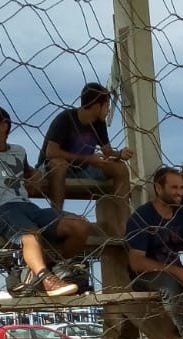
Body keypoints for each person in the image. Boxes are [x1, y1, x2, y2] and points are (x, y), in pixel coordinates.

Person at [0, 105, 90, 296]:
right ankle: (46, 279)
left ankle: (47, 269)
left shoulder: (18, 151)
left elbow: (28, 171)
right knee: (29, 235)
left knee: (79, 226)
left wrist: (37, 176)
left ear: (4, 126)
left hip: (27, 207)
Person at [126, 167, 183, 339]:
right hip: (145, 276)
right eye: (174, 187)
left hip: (175, 271)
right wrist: (178, 271)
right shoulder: (142, 216)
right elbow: (136, 262)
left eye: (182, 188)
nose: (179, 192)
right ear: (158, 188)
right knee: (169, 285)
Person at [39, 82, 132, 234]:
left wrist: (120, 154)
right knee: (59, 165)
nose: (109, 110)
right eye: (107, 106)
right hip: (53, 168)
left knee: (120, 167)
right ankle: (56, 219)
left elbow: (107, 151)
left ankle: (124, 226)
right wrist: (89, 159)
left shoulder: (99, 123)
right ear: (96, 106)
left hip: (83, 169)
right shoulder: (65, 119)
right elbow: (51, 152)